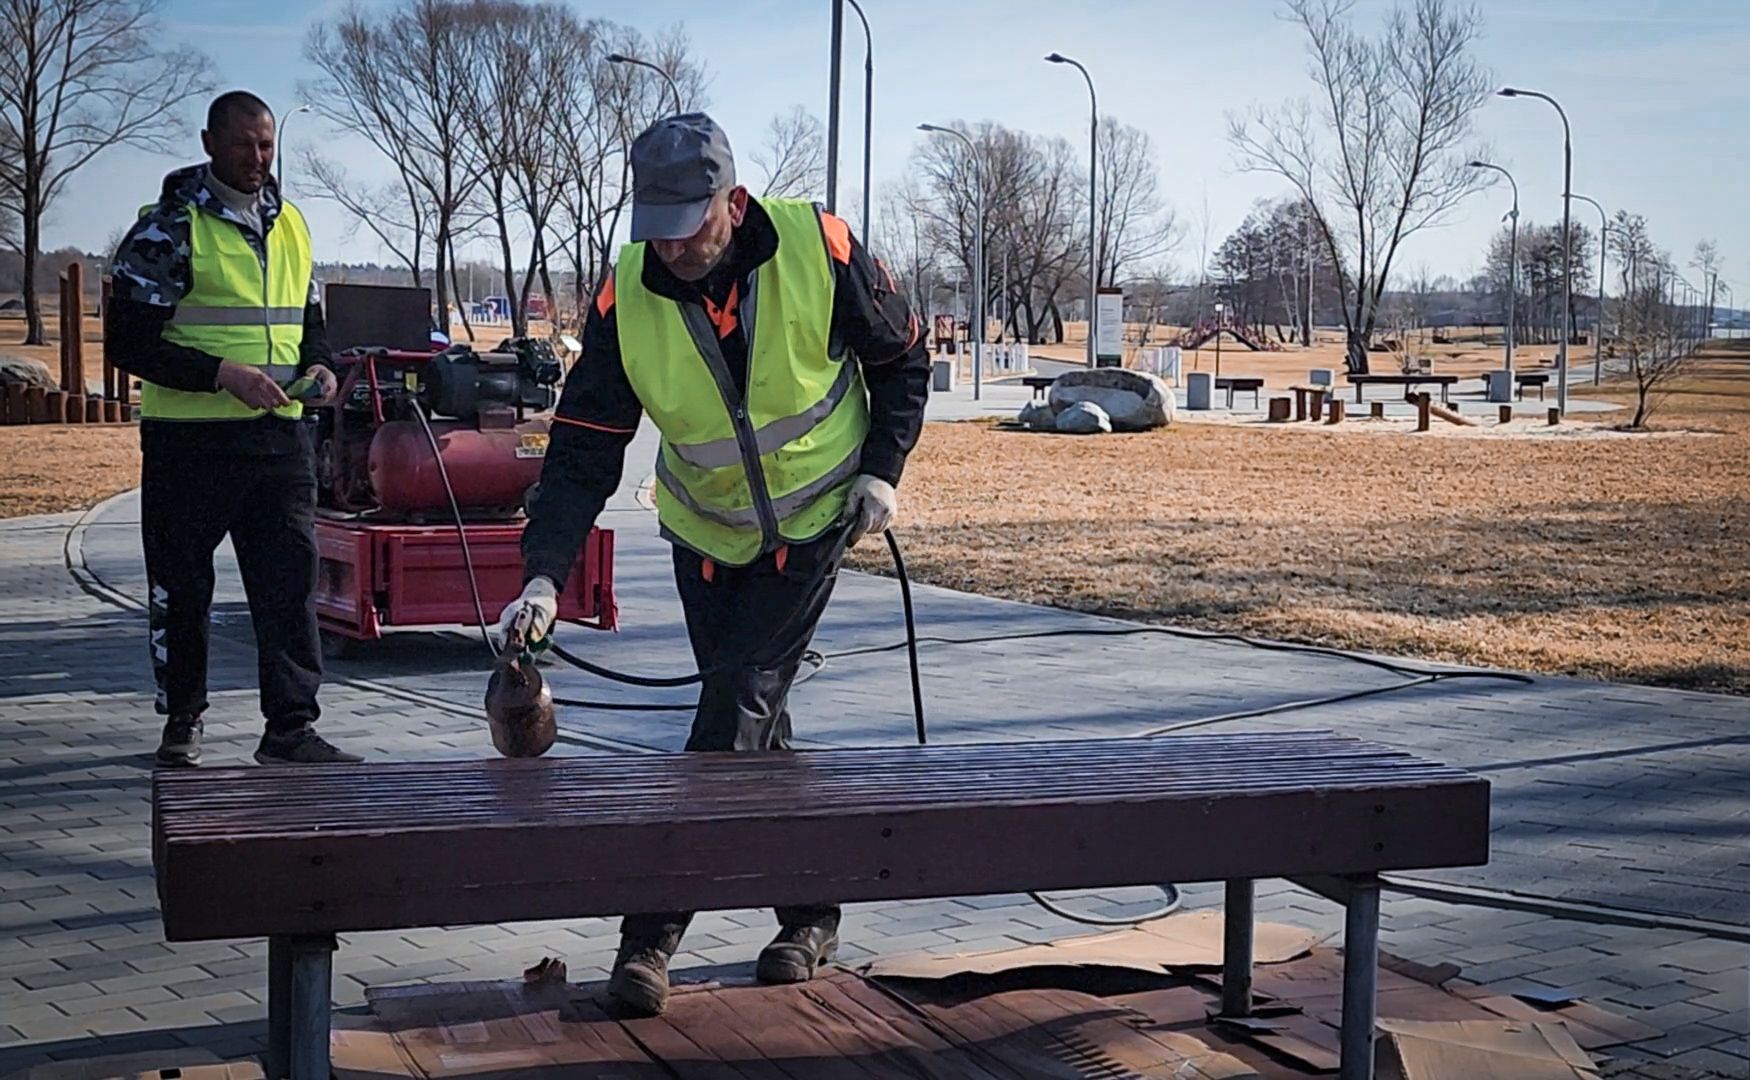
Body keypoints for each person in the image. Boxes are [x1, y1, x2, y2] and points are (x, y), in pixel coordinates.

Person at [499, 113, 930, 1016]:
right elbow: (583, 447)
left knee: (731, 715)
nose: (673, 248)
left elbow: (903, 359)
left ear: (733, 202)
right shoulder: (627, 293)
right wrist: (543, 575)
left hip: (813, 523)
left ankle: (648, 936)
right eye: (655, 229)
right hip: (704, 537)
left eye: (689, 225)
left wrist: (882, 471)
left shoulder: (820, 248)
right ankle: (811, 913)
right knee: (754, 727)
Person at [107, 90, 360, 768]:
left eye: (266, 144)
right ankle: (183, 719)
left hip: (280, 439)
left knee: (289, 589)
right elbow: (129, 342)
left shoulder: (291, 223)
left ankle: (290, 728)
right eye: (243, 144)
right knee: (183, 589)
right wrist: (222, 374)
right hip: (190, 443)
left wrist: (321, 366)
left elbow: (309, 324)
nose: (257, 157)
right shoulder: (168, 229)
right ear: (209, 143)